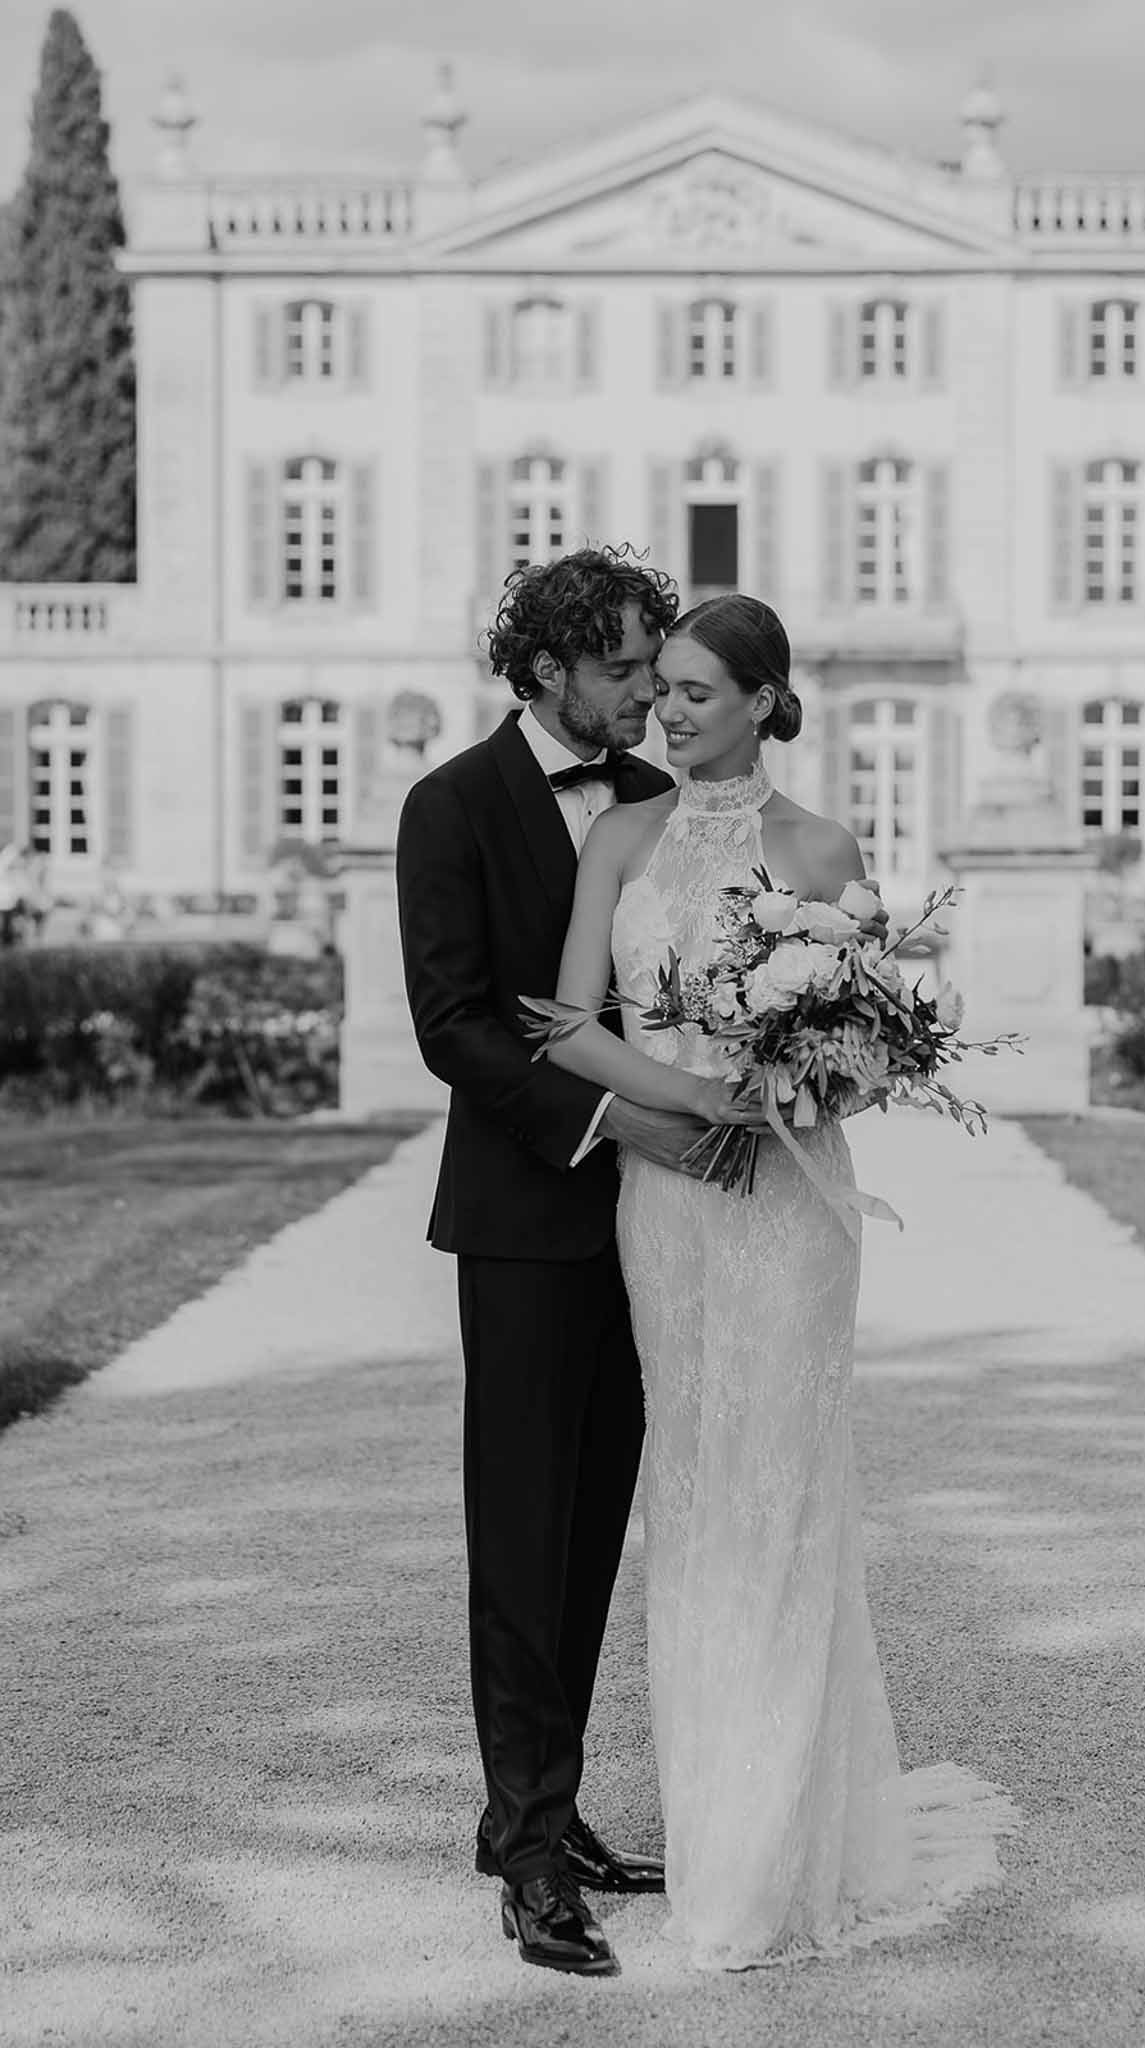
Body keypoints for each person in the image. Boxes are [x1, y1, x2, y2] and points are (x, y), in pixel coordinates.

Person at [545, 592, 1019, 1972]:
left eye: (696, 690)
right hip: (669, 1197)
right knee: (692, 1494)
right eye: (662, 689)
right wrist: (690, 1111)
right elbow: (568, 1023)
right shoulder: (618, 836)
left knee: (782, 1492)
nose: (667, 710)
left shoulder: (820, 844)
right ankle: (717, 1834)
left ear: (763, 699)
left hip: (790, 1208)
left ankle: (772, 1855)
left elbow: (869, 1052)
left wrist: (794, 1081)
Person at [396, 547, 713, 1981]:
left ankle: (548, 1805)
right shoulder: (448, 806)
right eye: (627, 670)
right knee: (522, 1535)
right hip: (527, 1222)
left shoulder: (662, 804)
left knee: (593, 1530)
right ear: (546, 672)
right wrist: (617, 1119)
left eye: (657, 668)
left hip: (662, 1233)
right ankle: (527, 1858)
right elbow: (455, 1024)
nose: (651, 692)